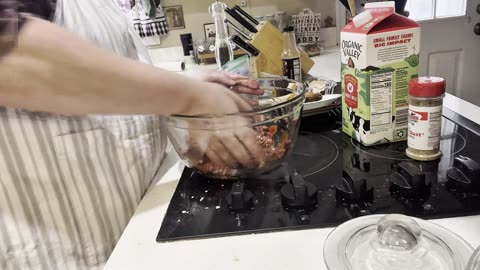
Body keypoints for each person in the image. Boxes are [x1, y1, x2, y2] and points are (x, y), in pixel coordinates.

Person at [0, 0, 263, 269]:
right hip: (58, 251)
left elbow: (100, 72)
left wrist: (181, 83)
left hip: (131, 235)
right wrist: (189, 97)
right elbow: (13, 57)